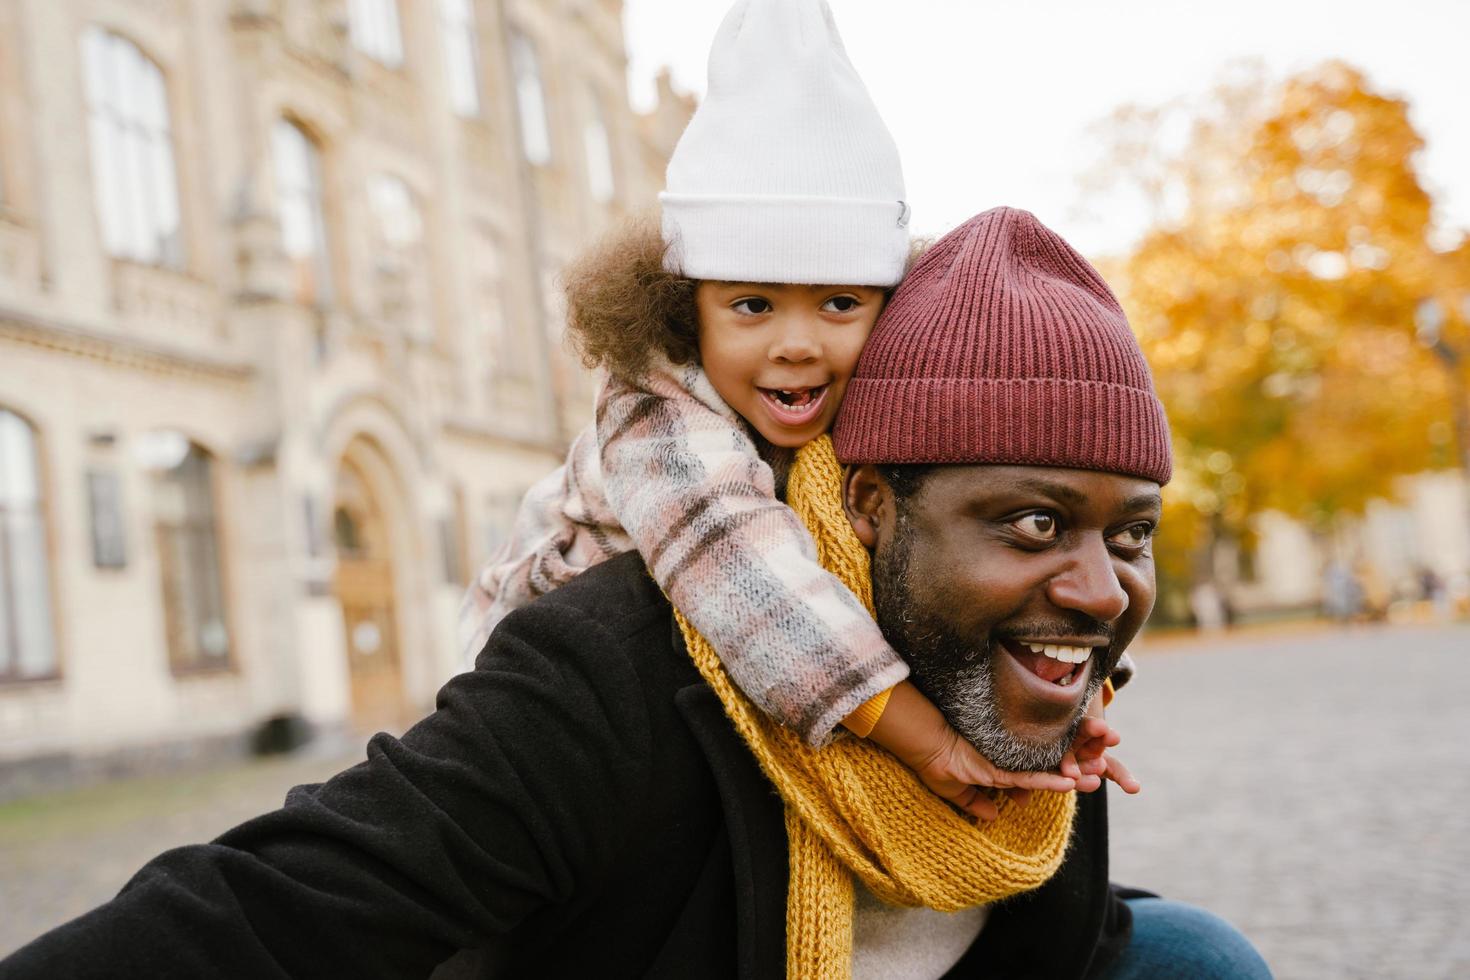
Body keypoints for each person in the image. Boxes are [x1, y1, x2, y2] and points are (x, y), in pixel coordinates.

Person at [0, 208, 1271, 979]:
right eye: (1035, 521)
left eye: (1133, 533)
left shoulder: (1020, 666)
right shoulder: (618, 670)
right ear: (872, 502)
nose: (1103, 590)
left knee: (1198, 955)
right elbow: (281, 908)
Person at [457, 0, 1136, 819]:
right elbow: (747, 581)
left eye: (840, 302)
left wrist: (1067, 700)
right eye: (752, 306)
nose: (797, 344)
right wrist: (931, 742)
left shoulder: (849, 413)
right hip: (559, 678)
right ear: (684, 310)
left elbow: (942, 573)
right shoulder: (654, 410)